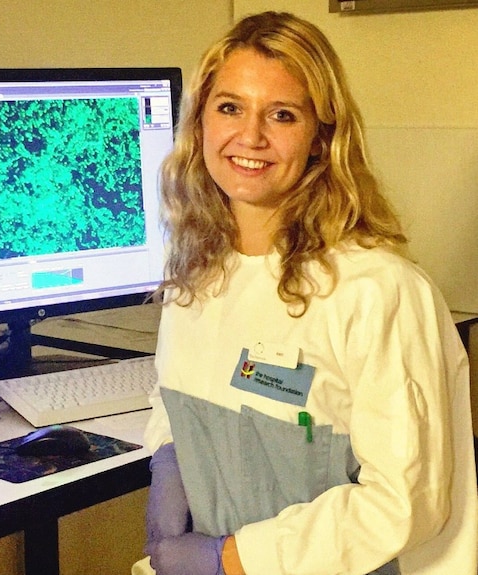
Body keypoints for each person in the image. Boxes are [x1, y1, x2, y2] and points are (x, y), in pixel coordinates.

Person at [133, 11, 478, 575]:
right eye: (229, 108)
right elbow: (179, 393)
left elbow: (404, 502)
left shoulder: (379, 292)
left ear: (321, 138)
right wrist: (168, 459)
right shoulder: (195, 275)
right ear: (199, 124)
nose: (250, 137)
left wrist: (230, 559)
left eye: (282, 115)